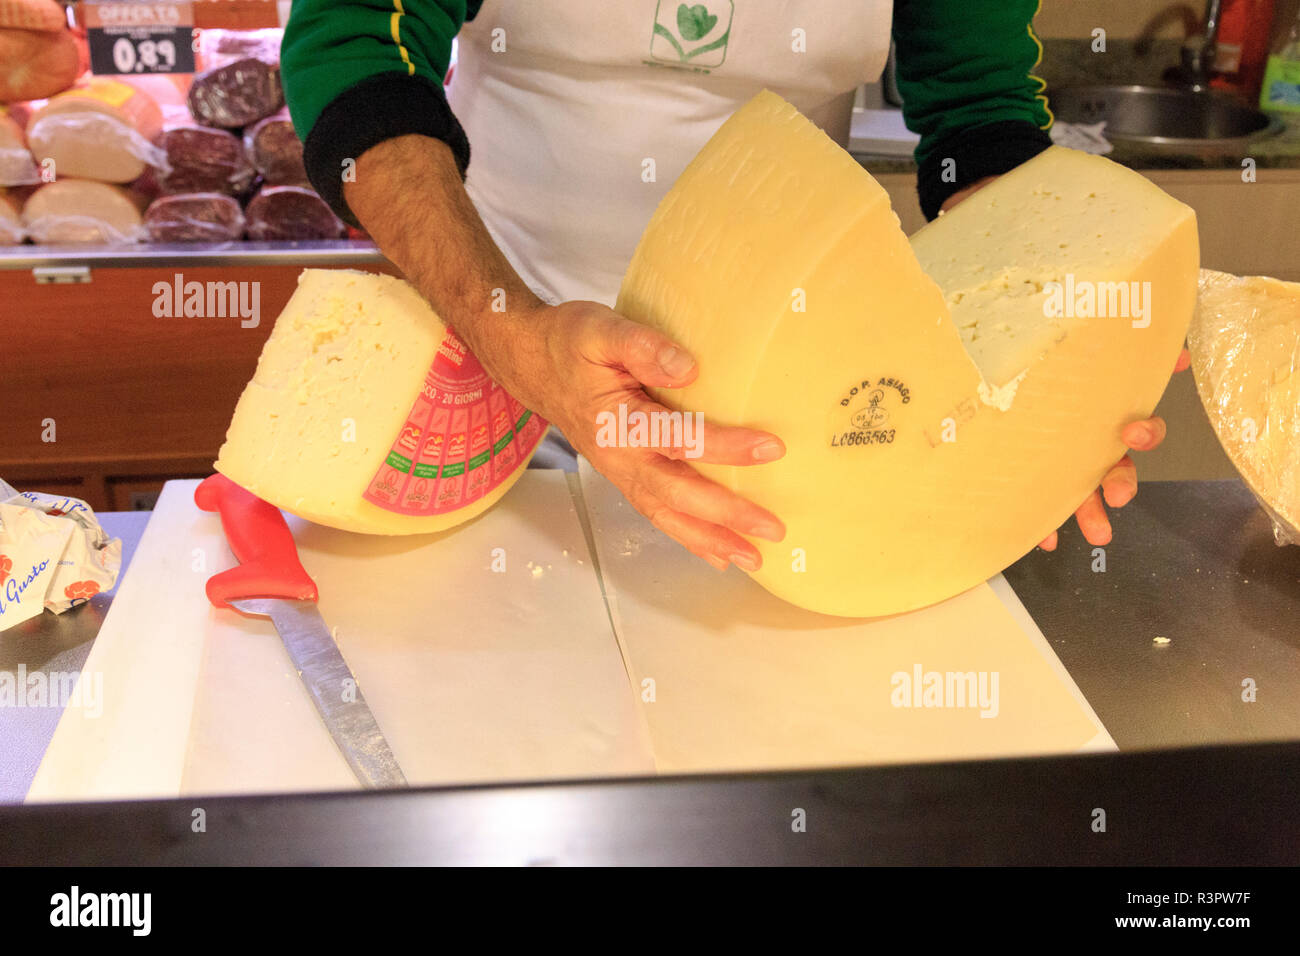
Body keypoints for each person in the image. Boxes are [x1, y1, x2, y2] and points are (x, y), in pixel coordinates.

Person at [279, 1, 1186, 572]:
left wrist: (1043, 367)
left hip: (777, 400)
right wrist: (513, 332)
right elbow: (356, 45)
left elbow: (979, 117)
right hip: (496, 344)